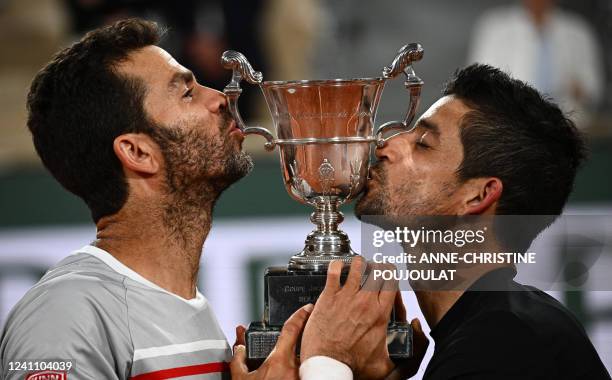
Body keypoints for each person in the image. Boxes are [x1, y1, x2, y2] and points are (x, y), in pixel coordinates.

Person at [0, 18, 316, 380]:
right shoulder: (64, 316)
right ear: (137, 152)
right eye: (187, 92)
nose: (220, 98)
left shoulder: (183, 302)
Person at [286, 64, 611, 379]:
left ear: (478, 196)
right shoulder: (500, 331)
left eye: (423, 145)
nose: (385, 144)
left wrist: (327, 360)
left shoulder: (503, 345)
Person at [468, 0, 604, 129]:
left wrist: (578, 88)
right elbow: (478, 81)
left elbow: (593, 87)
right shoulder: (494, 26)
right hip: (509, 123)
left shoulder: (577, 30)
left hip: (567, 124)